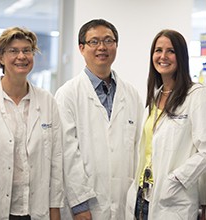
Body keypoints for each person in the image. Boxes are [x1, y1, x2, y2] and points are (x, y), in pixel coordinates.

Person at [0, 27, 64, 220]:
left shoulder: (47, 101)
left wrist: (55, 208)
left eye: (27, 50)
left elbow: (56, 160)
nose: (21, 56)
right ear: (1, 58)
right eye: (13, 51)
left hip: (36, 208)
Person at [125, 29, 206, 220]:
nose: (163, 56)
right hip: (142, 198)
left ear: (182, 57)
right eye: (158, 50)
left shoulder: (197, 95)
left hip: (172, 200)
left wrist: (174, 180)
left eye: (171, 51)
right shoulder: (156, 95)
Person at [55, 19, 144, 220]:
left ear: (116, 46)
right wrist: (79, 206)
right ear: (81, 48)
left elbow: (138, 148)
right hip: (85, 208)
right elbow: (67, 154)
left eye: (108, 41)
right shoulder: (67, 95)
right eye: (94, 42)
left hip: (124, 205)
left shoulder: (131, 95)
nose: (102, 47)